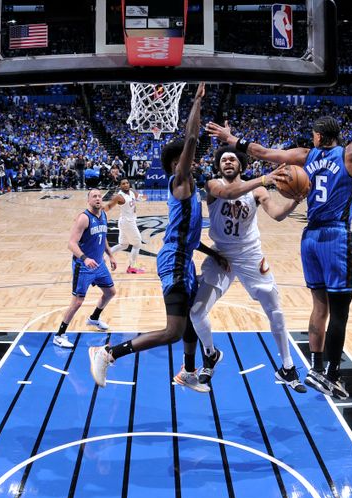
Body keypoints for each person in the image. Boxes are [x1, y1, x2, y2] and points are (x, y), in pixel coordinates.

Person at [206, 59, 352, 399]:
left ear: (318, 135)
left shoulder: (304, 155)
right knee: (340, 310)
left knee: (319, 306)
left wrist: (233, 138)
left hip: (309, 238)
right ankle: (331, 373)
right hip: (335, 237)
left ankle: (315, 367)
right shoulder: (351, 154)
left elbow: (263, 152)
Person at [87, 83, 251, 392]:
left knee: (189, 318)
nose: (193, 161)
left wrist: (212, 253)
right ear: (176, 164)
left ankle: (188, 371)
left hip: (184, 259)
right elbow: (190, 137)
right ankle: (108, 353)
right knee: (174, 331)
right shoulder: (180, 181)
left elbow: (187, 236)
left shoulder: (189, 188)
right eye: (186, 159)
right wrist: (197, 102)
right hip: (174, 261)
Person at [189, 146, 306, 392]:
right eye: (224, 160)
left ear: (240, 165)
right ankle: (210, 354)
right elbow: (229, 193)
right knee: (197, 313)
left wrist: (295, 200)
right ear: (219, 166)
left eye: (233, 159)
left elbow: (276, 215)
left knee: (275, 310)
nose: (228, 162)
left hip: (250, 255)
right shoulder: (212, 186)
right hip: (221, 254)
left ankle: (287, 367)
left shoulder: (258, 190)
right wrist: (262, 178)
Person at [53, 189, 118, 348]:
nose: (98, 198)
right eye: (94, 196)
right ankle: (59, 334)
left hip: (99, 264)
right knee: (77, 302)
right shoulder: (83, 218)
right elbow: (71, 244)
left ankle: (94, 318)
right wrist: (85, 258)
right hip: (83, 266)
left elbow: (102, 238)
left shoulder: (103, 214)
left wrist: (111, 255)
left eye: (99, 196)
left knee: (110, 292)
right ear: (88, 200)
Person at [105, 178, 147, 274]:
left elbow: (140, 197)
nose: (126, 185)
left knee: (123, 245)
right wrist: (98, 212)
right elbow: (108, 206)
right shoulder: (119, 197)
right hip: (128, 222)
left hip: (126, 222)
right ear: (120, 186)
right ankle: (132, 267)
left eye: (127, 183)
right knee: (137, 244)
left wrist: (144, 197)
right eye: (123, 183)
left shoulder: (131, 191)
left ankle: (103, 259)